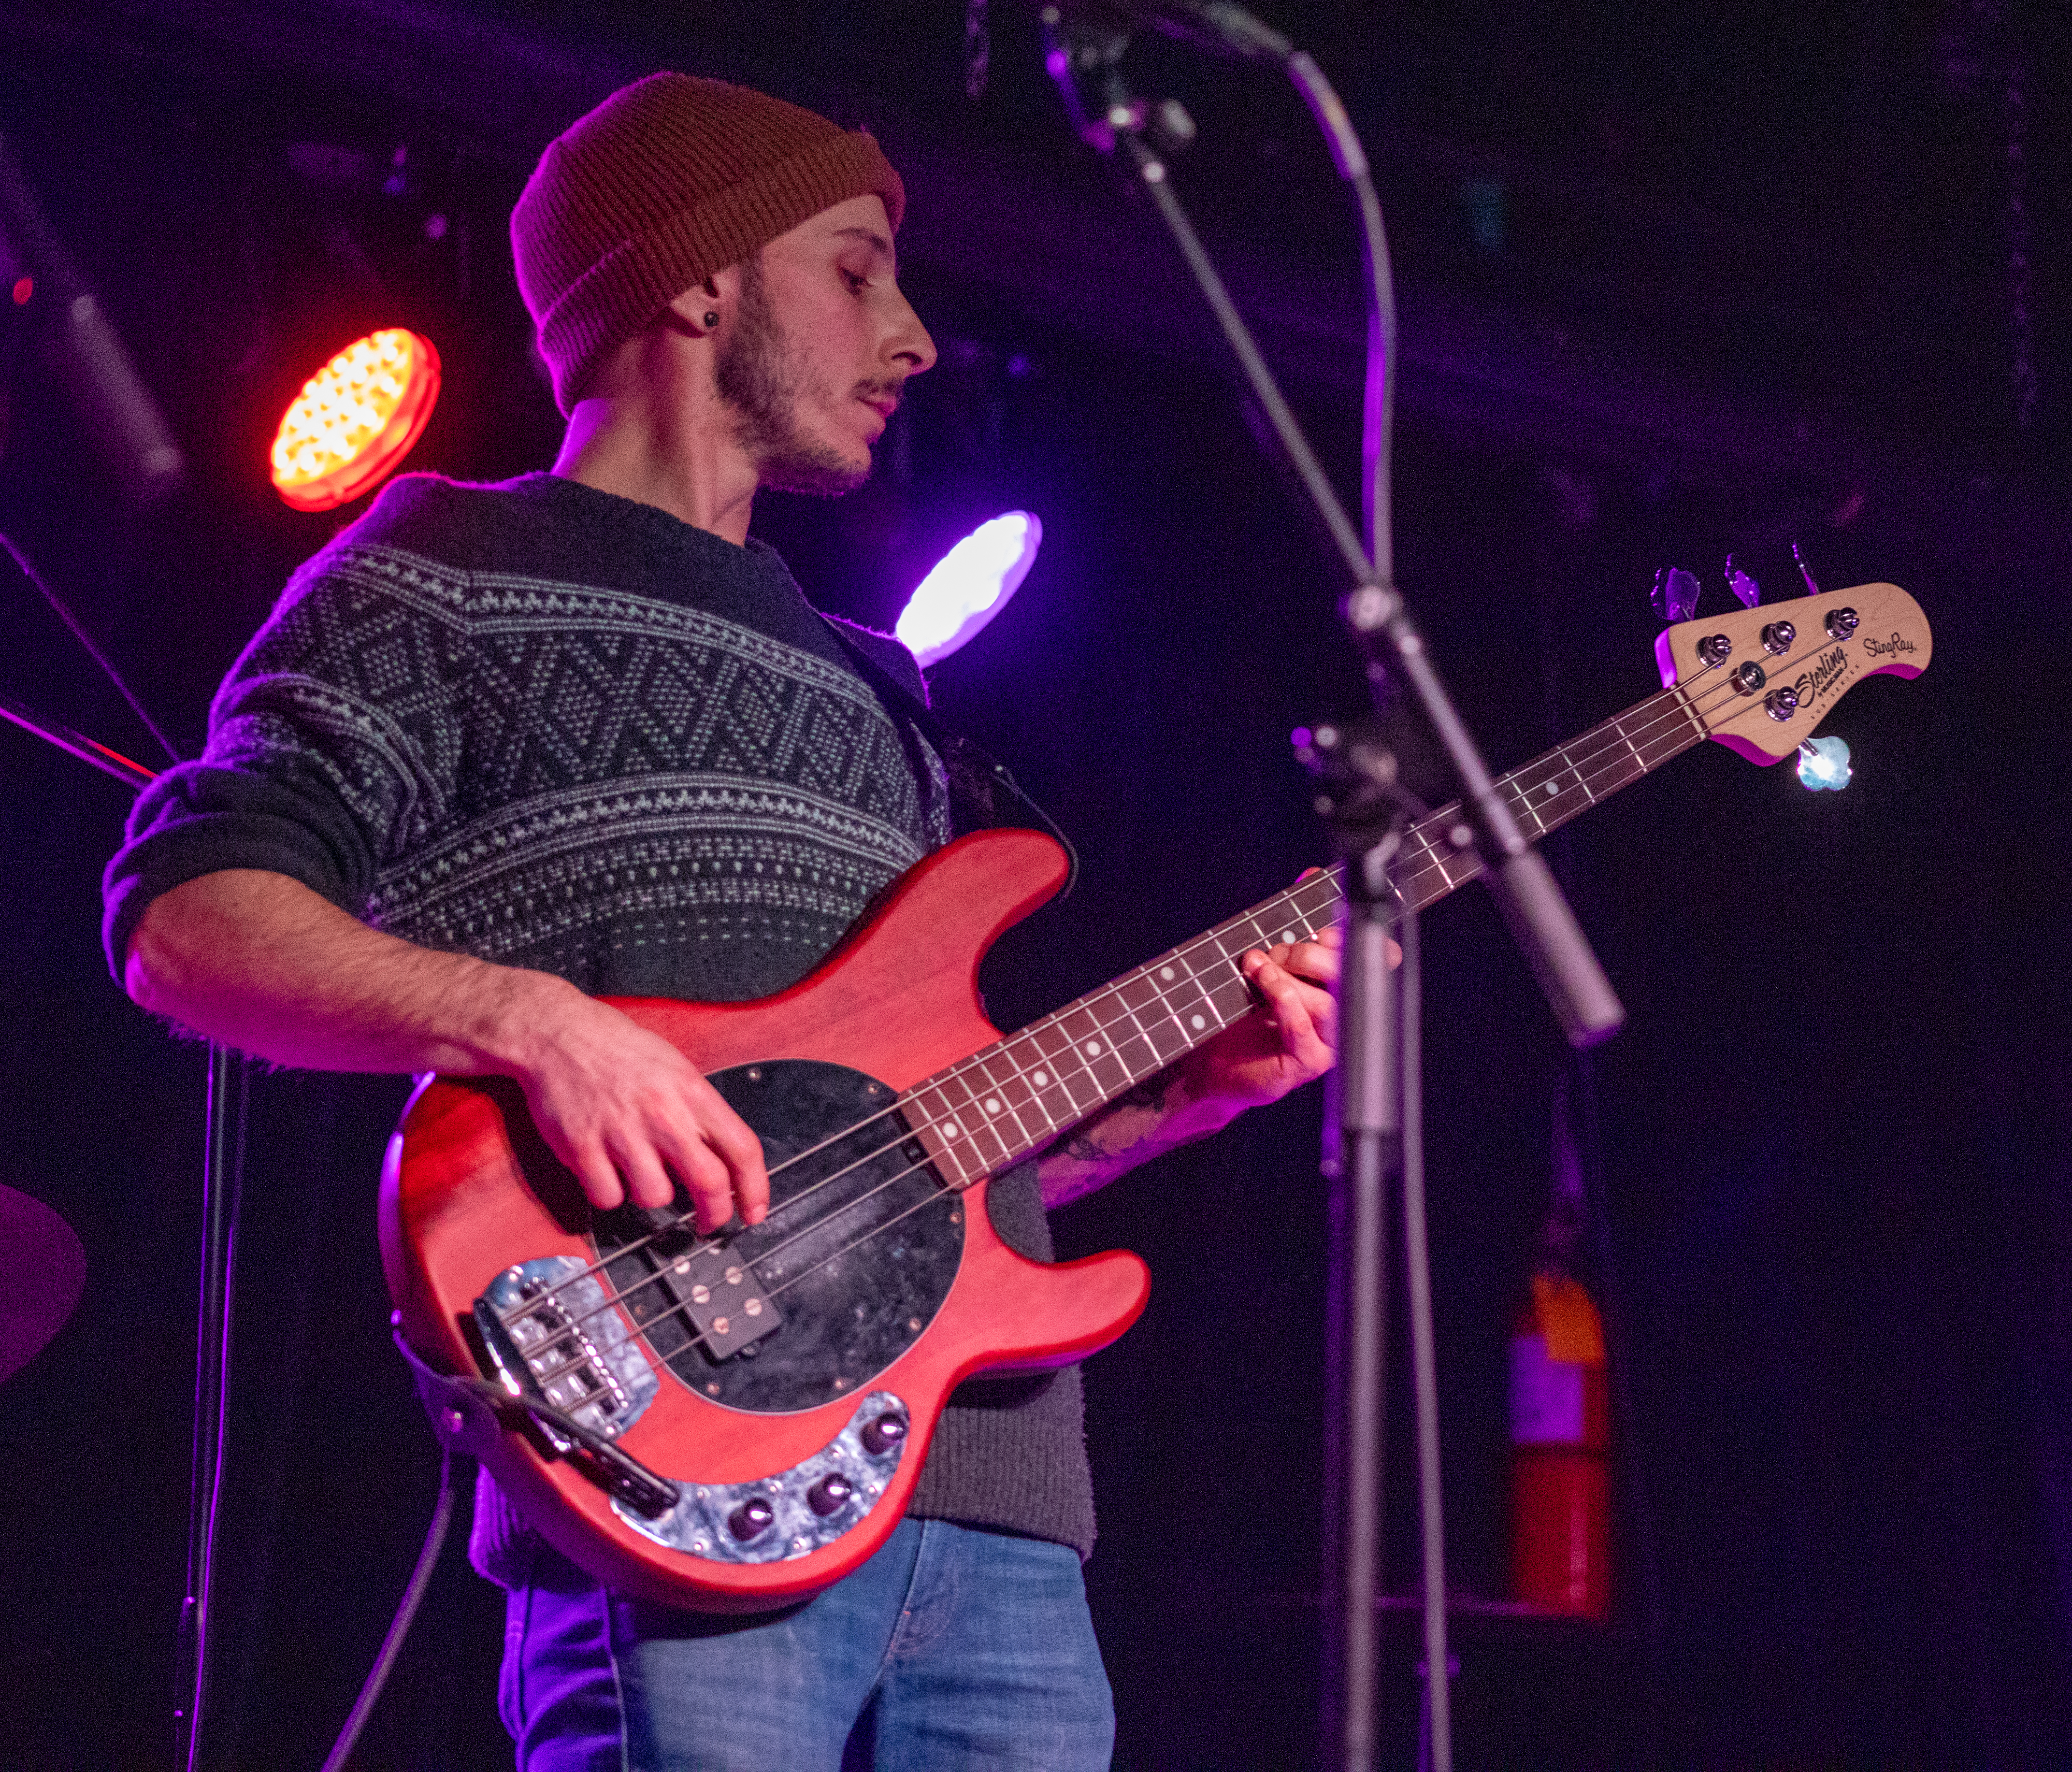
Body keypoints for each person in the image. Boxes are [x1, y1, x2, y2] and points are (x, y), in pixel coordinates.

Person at [105, 73, 1340, 1771]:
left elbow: (896, 1179)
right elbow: (185, 920)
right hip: (680, 1514)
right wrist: (532, 1023)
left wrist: (1180, 1101)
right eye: (856, 270)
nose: (912, 338)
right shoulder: (441, 575)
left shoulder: (881, 687)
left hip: (1000, 1523)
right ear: (696, 283)